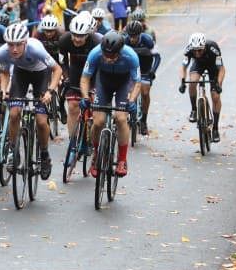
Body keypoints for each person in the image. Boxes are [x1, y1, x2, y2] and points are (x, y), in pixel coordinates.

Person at [0, 22, 62, 180]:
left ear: (25, 42)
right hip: (21, 74)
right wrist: (3, 90)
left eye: (18, 45)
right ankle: (13, 151)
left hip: (41, 74)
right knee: (14, 113)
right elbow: (4, 72)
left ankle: (45, 155)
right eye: (11, 45)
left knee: (40, 121)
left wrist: (50, 91)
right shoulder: (1, 53)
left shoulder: (35, 48)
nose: (14, 49)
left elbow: (57, 70)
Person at [79, 31, 140, 176]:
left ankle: (122, 160)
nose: (108, 59)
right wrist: (85, 97)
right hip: (103, 82)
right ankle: (96, 156)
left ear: (120, 51)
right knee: (98, 122)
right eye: (106, 55)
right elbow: (85, 78)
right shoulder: (95, 53)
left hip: (123, 83)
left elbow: (137, 82)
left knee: (120, 118)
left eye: (112, 56)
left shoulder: (131, 56)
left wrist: (131, 101)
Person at [57, 12, 101, 143]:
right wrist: (66, 77)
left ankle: (94, 137)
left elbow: (102, 66)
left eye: (81, 36)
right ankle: (73, 141)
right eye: (74, 35)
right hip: (75, 72)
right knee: (72, 106)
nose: (76, 38)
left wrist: (97, 87)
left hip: (94, 73)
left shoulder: (96, 42)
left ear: (88, 34)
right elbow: (63, 61)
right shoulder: (64, 40)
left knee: (94, 106)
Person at [179, 32, 226, 143]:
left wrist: (218, 84)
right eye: (195, 50)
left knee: (215, 96)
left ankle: (215, 129)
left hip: (213, 66)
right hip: (199, 65)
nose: (197, 52)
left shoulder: (213, 48)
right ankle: (194, 110)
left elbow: (222, 69)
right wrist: (182, 81)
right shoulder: (189, 50)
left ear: (204, 46)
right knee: (192, 82)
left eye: (200, 50)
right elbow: (183, 67)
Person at [124, 21, 161, 136]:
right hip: (132, 68)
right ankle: (129, 116)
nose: (132, 39)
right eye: (130, 36)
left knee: (145, 93)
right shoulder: (125, 41)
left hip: (145, 69)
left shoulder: (147, 40)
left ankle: (144, 121)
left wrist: (152, 71)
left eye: (135, 36)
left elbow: (157, 57)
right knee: (130, 94)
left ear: (140, 34)